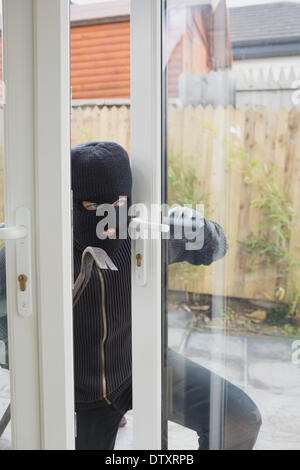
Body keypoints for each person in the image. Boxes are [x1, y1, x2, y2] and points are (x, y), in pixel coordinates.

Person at [72, 142, 262, 451]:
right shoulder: (46, 243)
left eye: (117, 204)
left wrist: (203, 229)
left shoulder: (144, 231)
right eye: (93, 207)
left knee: (239, 418)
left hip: (142, 364)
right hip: (83, 394)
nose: (107, 226)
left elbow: (217, 247)